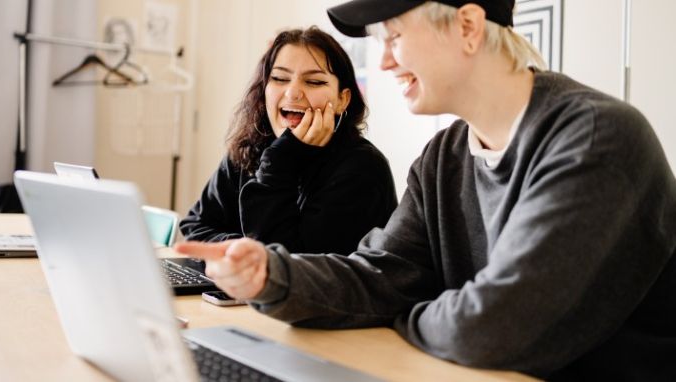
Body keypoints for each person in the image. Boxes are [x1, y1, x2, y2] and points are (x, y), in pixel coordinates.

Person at [177, 1, 676, 380]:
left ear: (467, 26)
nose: (386, 61)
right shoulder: (445, 155)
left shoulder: (594, 138)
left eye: (394, 36)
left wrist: (405, 310)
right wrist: (271, 276)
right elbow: (381, 274)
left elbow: (494, 328)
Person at [180, 27, 397, 255]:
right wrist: (241, 251)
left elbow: (291, 268)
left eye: (314, 82)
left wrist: (281, 159)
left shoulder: (362, 168)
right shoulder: (251, 148)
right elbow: (195, 224)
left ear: (342, 99)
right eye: (280, 78)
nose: (293, 92)